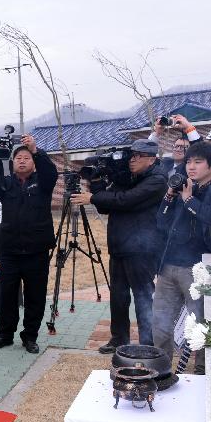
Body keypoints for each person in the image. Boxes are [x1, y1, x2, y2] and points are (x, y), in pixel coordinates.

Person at [71, 139, 167, 353]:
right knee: (118, 295)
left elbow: (126, 200)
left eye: (137, 156)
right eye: (131, 155)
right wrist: (95, 178)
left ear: (151, 159)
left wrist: (94, 197)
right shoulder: (128, 176)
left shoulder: (158, 179)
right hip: (119, 244)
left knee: (143, 295)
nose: (132, 160)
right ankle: (118, 339)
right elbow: (107, 205)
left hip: (141, 249)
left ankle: (148, 342)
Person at [154, 141, 211, 374]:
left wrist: (189, 200)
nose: (191, 167)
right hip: (169, 266)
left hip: (201, 269)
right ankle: (161, 371)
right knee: (160, 325)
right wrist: (170, 196)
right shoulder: (182, 189)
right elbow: (161, 221)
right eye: (188, 161)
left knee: (204, 325)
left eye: (198, 162)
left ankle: (206, 373)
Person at [0, 135, 56, 353]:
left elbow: (51, 172)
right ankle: (4, 335)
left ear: (33, 161)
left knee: (35, 296)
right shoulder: (6, 184)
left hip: (37, 250)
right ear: (12, 163)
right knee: (7, 295)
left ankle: (30, 336)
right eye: (18, 158)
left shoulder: (43, 182)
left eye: (26, 157)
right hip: (10, 250)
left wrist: (36, 150)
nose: (22, 161)